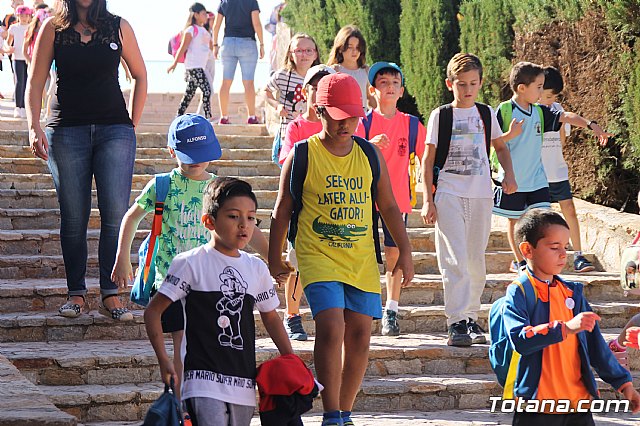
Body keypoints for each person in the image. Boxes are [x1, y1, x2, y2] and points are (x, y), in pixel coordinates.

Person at [269, 73, 414, 426]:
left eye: (352, 116)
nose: (346, 123)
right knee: (331, 326)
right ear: (320, 113)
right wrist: (274, 256)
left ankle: (345, 411)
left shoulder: (368, 154)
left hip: (360, 257)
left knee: (361, 334)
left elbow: (389, 206)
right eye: (337, 116)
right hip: (317, 255)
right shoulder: (303, 154)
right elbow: (282, 208)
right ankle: (331, 412)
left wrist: (406, 252)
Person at [112, 114, 269, 405]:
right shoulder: (162, 185)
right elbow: (132, 217)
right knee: (182, 345)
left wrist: (273, 258)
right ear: (172, 152)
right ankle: (184, 403)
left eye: (202, 155)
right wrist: (123, 257)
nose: (196, 162)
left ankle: (202, 397)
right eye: (188, 156)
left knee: (203, 344)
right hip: (170, 282)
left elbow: (249, 226)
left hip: (209, 283)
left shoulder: (219, 188)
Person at [26, 0, 147, 320]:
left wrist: (131, 124)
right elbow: (36, 82)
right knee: (74, 216)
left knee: (114, 214)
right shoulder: (52, 28)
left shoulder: (118, 25)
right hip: (66, 132)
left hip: (115, 131)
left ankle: (111, 294)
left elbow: (139, 75)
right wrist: (33, 125)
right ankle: (76, 294)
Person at [145, 177, 293, 426]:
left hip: (243, 382)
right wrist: (164, 360)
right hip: (201, 380)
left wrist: (291, 359)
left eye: (250, 217)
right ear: (209, 221)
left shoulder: (256, 268)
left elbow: (270, 316)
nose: (244, 225)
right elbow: (153, 312)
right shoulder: (190, 263)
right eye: (234, 216)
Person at [502, 208, 640, 424]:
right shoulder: (519, 291)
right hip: (536, 407)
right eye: (554, 247)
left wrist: (624, 384)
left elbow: (596, 346)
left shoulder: (573, 293)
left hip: (578, 405)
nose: (563, 254)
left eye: (565, 247)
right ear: (527, 249)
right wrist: (566, 328)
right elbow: (520, 339)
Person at [421, 53, 520, 346]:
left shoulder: (486, 113)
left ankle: (471, 317)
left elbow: (500, 148)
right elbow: (427, 160)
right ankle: (456, 322)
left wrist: (509, 175)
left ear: (480, 83)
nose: (467, 89)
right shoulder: (441, 115)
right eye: (461, 84)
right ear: (449, 83)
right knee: (455, 258)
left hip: (481, 194)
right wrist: (428, 199)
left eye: (473, 84)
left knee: (476, 260)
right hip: (449, 192)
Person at [492, 62, 612, 274]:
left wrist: (591, 124)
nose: (541, 92)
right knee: (515, 221)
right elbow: (494, 142)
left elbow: (565, 116)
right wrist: (510, 135)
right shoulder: (505, 110)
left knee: (543, 220)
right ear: (522, 88)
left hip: (538, 180)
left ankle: (543, 263)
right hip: (514, 179)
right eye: (538, 86)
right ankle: (520, 263)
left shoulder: (540, 112)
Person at [352, 61, 426, 336]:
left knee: (394, 253)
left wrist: (429, 191)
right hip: (364, 200)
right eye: (383, 83)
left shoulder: (412, 124)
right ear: (373, 90)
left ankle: (391, 310)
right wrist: (370, 145)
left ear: (402, 90)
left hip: (398, 202)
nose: (390, 87)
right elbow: (348, 153)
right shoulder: (364, 123)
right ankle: (365, 305)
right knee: (366, 255)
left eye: (395, 83)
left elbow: (426, 157)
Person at [276, 64, 335, 341]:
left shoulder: (339, 127)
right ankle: (292, 315)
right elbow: (286, 160)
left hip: (331, 209)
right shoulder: (296, 127)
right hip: (302, 209)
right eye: (314, 88)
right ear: (306, 92)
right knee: (297, 264)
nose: (317, 94)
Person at [539, 66, 595, 273]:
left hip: (557, 171)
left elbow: (562, 140)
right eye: (548, 96)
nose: (551, 100)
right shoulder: (531, 112)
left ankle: (579, 256)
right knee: (539, 218)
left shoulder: (558, 110)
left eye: (554, 96)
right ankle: (535, 259)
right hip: (537, 175)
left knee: (569, 209)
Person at [266, 33, 320, 162]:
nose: (304, 54)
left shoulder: (321, 76)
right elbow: (267, 91)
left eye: (308, 50)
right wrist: (277, 106)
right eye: (299, 50)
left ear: (315, 54)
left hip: (314, 132)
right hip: (288, 133)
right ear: (291, 54)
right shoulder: (282, 75)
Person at [212, 0, 264, 125]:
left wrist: (215, 45)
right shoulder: (251, 1)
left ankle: (224, 117)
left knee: (225, 82)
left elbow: (216, 25)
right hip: (247, 44)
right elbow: (256, 23)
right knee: (248, 82)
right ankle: (251, 117)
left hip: (228, 43)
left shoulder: (225, 1)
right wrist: (262, 43)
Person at [167, 3, 212, 121]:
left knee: (189, 94)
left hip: (200, 66)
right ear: (196, 15)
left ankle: (178, 116)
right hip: (193, 66)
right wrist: (175, 63)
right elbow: (183, 47)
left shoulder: (204, 30)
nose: (205, 16)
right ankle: (207, 118)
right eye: (203, 14)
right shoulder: (191, 30)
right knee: (207, 90)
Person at [327, 25, 375, 112]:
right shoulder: (334, 71)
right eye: (350, 47)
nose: (355, 51)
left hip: (361, 119)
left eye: (357, 47)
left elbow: (370, 98)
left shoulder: (366, 71)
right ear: (341, 48)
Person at [6, 4, 31, 118]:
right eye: (22, 15)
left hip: (29, 58)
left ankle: (25, 107)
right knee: (19, 82)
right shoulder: (14, 28)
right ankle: (18, 107)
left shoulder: (31, 27)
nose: (24, 18)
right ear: (18, 16)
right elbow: (8, 42)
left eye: (26, 15)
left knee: (28, 82)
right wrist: (9, 48)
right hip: (17, 57)